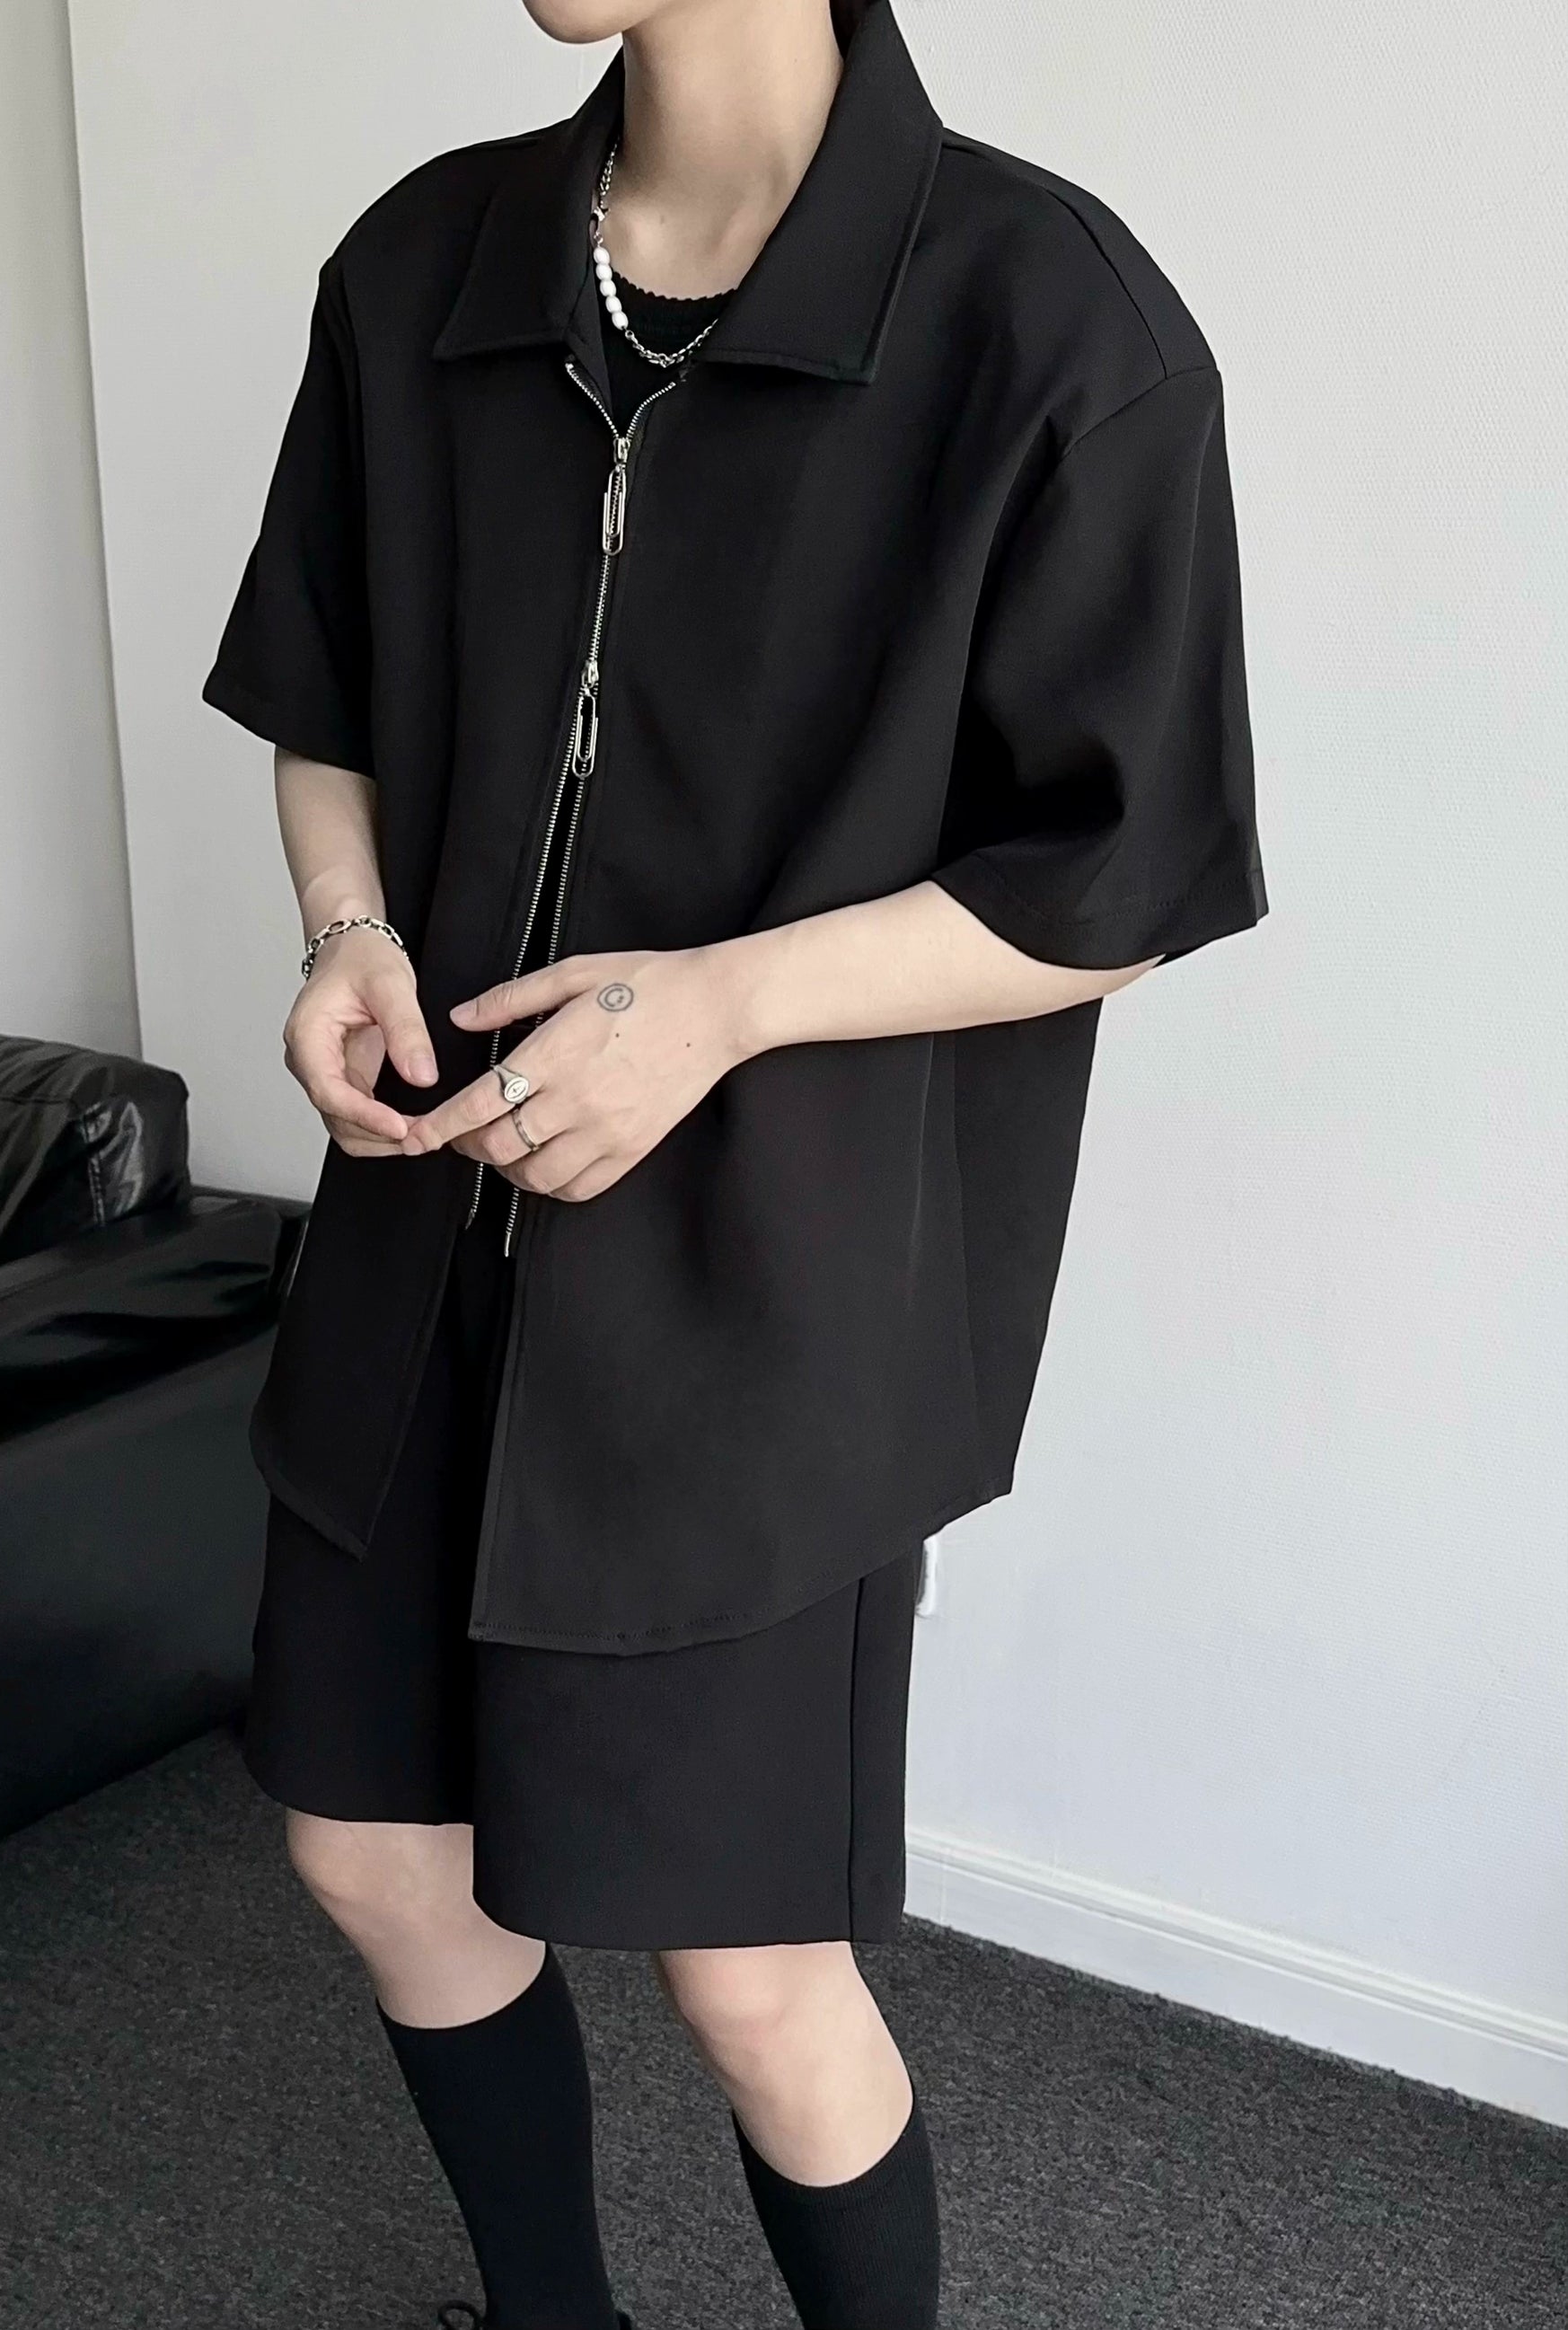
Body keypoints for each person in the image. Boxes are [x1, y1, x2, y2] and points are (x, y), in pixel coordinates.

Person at [202, 0, 1266, 2321]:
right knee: (373, 1849)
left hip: (765, 1297)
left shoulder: (1045, 323)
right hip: (425, 1234)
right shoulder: (423, 267)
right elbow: (324, 689)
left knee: (747, 1969)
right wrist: (347, 928)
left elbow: (1120, 874)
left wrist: (718, 1005)